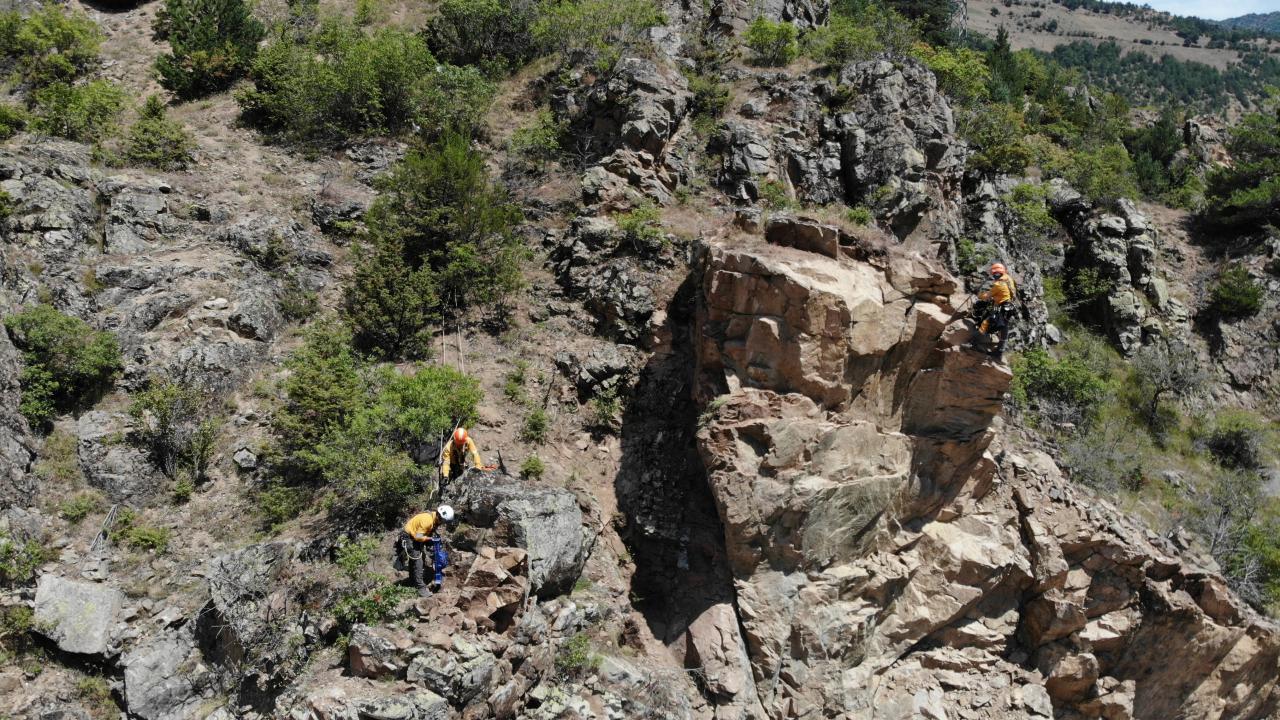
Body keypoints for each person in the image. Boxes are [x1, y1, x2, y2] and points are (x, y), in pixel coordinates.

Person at [399, 504, 455, 596]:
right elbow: (418, 536)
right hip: (409, 537)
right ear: (439, 516)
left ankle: (412, 581)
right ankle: (420, 588)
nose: (442, 524)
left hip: (415, 535)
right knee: (418, 562)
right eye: (443, 521)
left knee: (415, 560)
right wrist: (430, 539)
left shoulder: (434, 519)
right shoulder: (428, 521)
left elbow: (425, 533)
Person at [977, 262, 1018, 358]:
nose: (994, 276)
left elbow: (987, 296)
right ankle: (1000, 351)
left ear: (997, 274)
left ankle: (974, 342)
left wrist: (979, 294)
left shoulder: (999, 284)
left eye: (995, 274)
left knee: (987, 321)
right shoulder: (1009, 279)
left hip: (1002, 306)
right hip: (1009, 306)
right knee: (1004, 328)